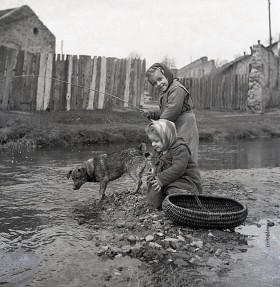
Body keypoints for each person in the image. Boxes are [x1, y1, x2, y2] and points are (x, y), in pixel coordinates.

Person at [142, 63, 199, 164]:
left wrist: (158, 125)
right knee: (173, 148)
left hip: (185, 123)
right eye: (155, 83)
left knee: (185, 147)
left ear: (167, 76)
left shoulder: (176, 89)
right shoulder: (165, 91)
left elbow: (173, 110)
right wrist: (152, 114)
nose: (158, 84)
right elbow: (166, 110)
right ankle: (172, 171)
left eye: (160, 79)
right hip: (174, 123)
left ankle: (189, 173)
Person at [145, 119, 202, 209]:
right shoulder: (158, 149)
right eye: (151, 141)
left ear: (167, 138)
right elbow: (153, 160)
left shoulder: (180, 149)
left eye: (156, 141)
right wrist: (153, 169)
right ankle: (156, 204)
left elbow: (178, 169)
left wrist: (161, 179)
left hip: (184, 180)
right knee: (152, 180)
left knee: (173, 190)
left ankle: (186, 200)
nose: (153, 144)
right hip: (168, 179)